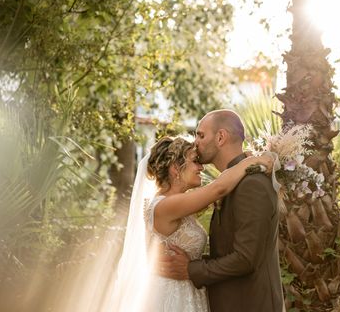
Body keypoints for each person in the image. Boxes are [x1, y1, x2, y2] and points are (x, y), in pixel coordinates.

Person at [113, 133, 273, 312]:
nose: (201, 168)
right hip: (171, 298)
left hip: (186, 292)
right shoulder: (166, 205)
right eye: (195, 161)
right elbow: (218, 189)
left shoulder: (179, 203)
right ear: (175, 168)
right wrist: (248, 163)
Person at [158, 109, 285, 312]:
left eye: (200, 135)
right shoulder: (230, 182)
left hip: (249, 304)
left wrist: (191, 269)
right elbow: (227, 251)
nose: (195, 142)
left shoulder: (251, 184)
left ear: (220, 137)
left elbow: (245, 258)